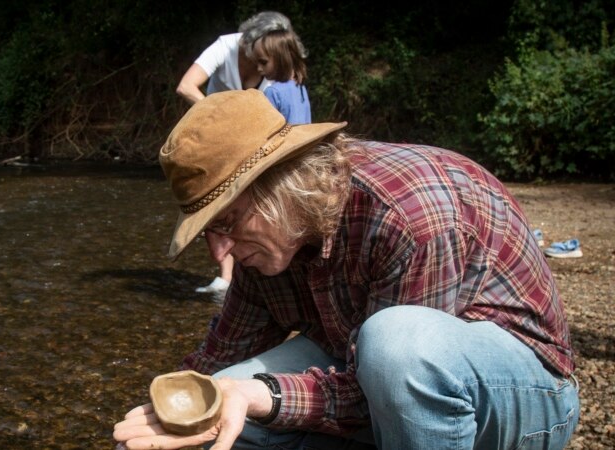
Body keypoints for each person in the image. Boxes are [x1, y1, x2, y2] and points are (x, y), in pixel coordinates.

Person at [113, 90, 579, 450]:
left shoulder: (409, 215)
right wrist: (168, 413)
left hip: (522, 398)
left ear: (282, 186)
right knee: (218, 400)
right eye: (209, 232)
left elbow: (390, 379)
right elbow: (219, 355)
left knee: (396, 345)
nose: (220, 254)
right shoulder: (266, 235)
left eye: (227, 224)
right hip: (379, 383)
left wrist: (265, 397)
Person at [176, 11, 301, 297]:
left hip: (254, 141)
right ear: (251, 41)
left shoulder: (271, 60)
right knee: (218, 204)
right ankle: (226, 277)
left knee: (251, 203)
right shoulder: (226, 46)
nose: (263, 65)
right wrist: (221, 114)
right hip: (217, 137)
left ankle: (256, 274)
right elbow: (186, 86)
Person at [253, 28, 311, 124]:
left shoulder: (272, 92)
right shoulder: (300, 87)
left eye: (263, 62)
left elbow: (266, 128)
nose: (259, 68)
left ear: (282, 59)